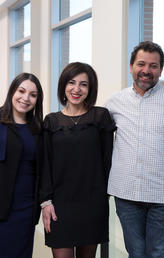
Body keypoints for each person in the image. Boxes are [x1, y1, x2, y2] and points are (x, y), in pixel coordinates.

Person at [40, 62, 115, 258]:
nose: (76, 89)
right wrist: (45, 202)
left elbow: (108, 161)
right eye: (71, 82)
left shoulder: (100, 117)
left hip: (92, 203)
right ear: (63, 86)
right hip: (59, 204)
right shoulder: (51, 121)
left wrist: (104, 197)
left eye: (84, 84)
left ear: (90, 89)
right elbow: (45, 165)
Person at [106, 41, 164, 258]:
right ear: (131, 66)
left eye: (154, 66)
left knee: (158, 253)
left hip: (161, 194)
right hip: (126, 194)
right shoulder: (114, 102)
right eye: (141, 64)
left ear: (160, 69)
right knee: (136, 253)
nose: (147, 71)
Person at [0, 72, 43, 258]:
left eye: (33, 95)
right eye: (21, 91)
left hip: (25, 208)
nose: (25, 98)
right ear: (12, 92)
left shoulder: (39, 129)